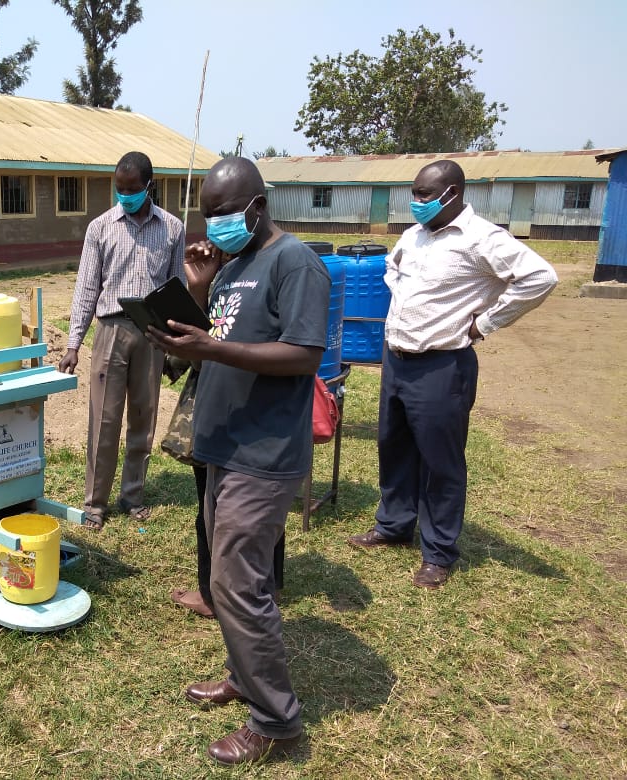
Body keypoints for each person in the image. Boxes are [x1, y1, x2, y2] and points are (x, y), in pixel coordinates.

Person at [148, 157, 330, 765]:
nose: (217, 224)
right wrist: (197, 295)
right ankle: (243, 674)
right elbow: (213, 348)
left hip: (264, 452)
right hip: (222, 447)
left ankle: (275, 721)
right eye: (209, 213)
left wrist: (212, 344)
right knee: (229, 582)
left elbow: (304, 354)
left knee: (237, 582)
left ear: (258, 204)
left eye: (227, 212)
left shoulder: (294, 263)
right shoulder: (231, 268)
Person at [347, 159, 558, 589]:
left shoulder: (483, 239)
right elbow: (392, 266)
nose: (417, 202)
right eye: (415, 193)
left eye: (425, 194)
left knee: (440, 462)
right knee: (394, 447)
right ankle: (393, 525)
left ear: (453, 193)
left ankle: (438, 552)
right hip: (398, 360)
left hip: (442, 365)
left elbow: (540, 277)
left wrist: (485, 323)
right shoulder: (414, 235)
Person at [59, 151, 185, 531]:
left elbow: (175, 286)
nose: (125, 196)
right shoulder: (100, 228)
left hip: (151, 334)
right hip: (111, 331)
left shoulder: (173, 229)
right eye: (119, 189)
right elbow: (86, 288)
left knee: (143, 419)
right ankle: (95, 503)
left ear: (150, 186)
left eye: (132, 190)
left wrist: (175, 341)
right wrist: (73, 344)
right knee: (105, 420)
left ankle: (133, 495)